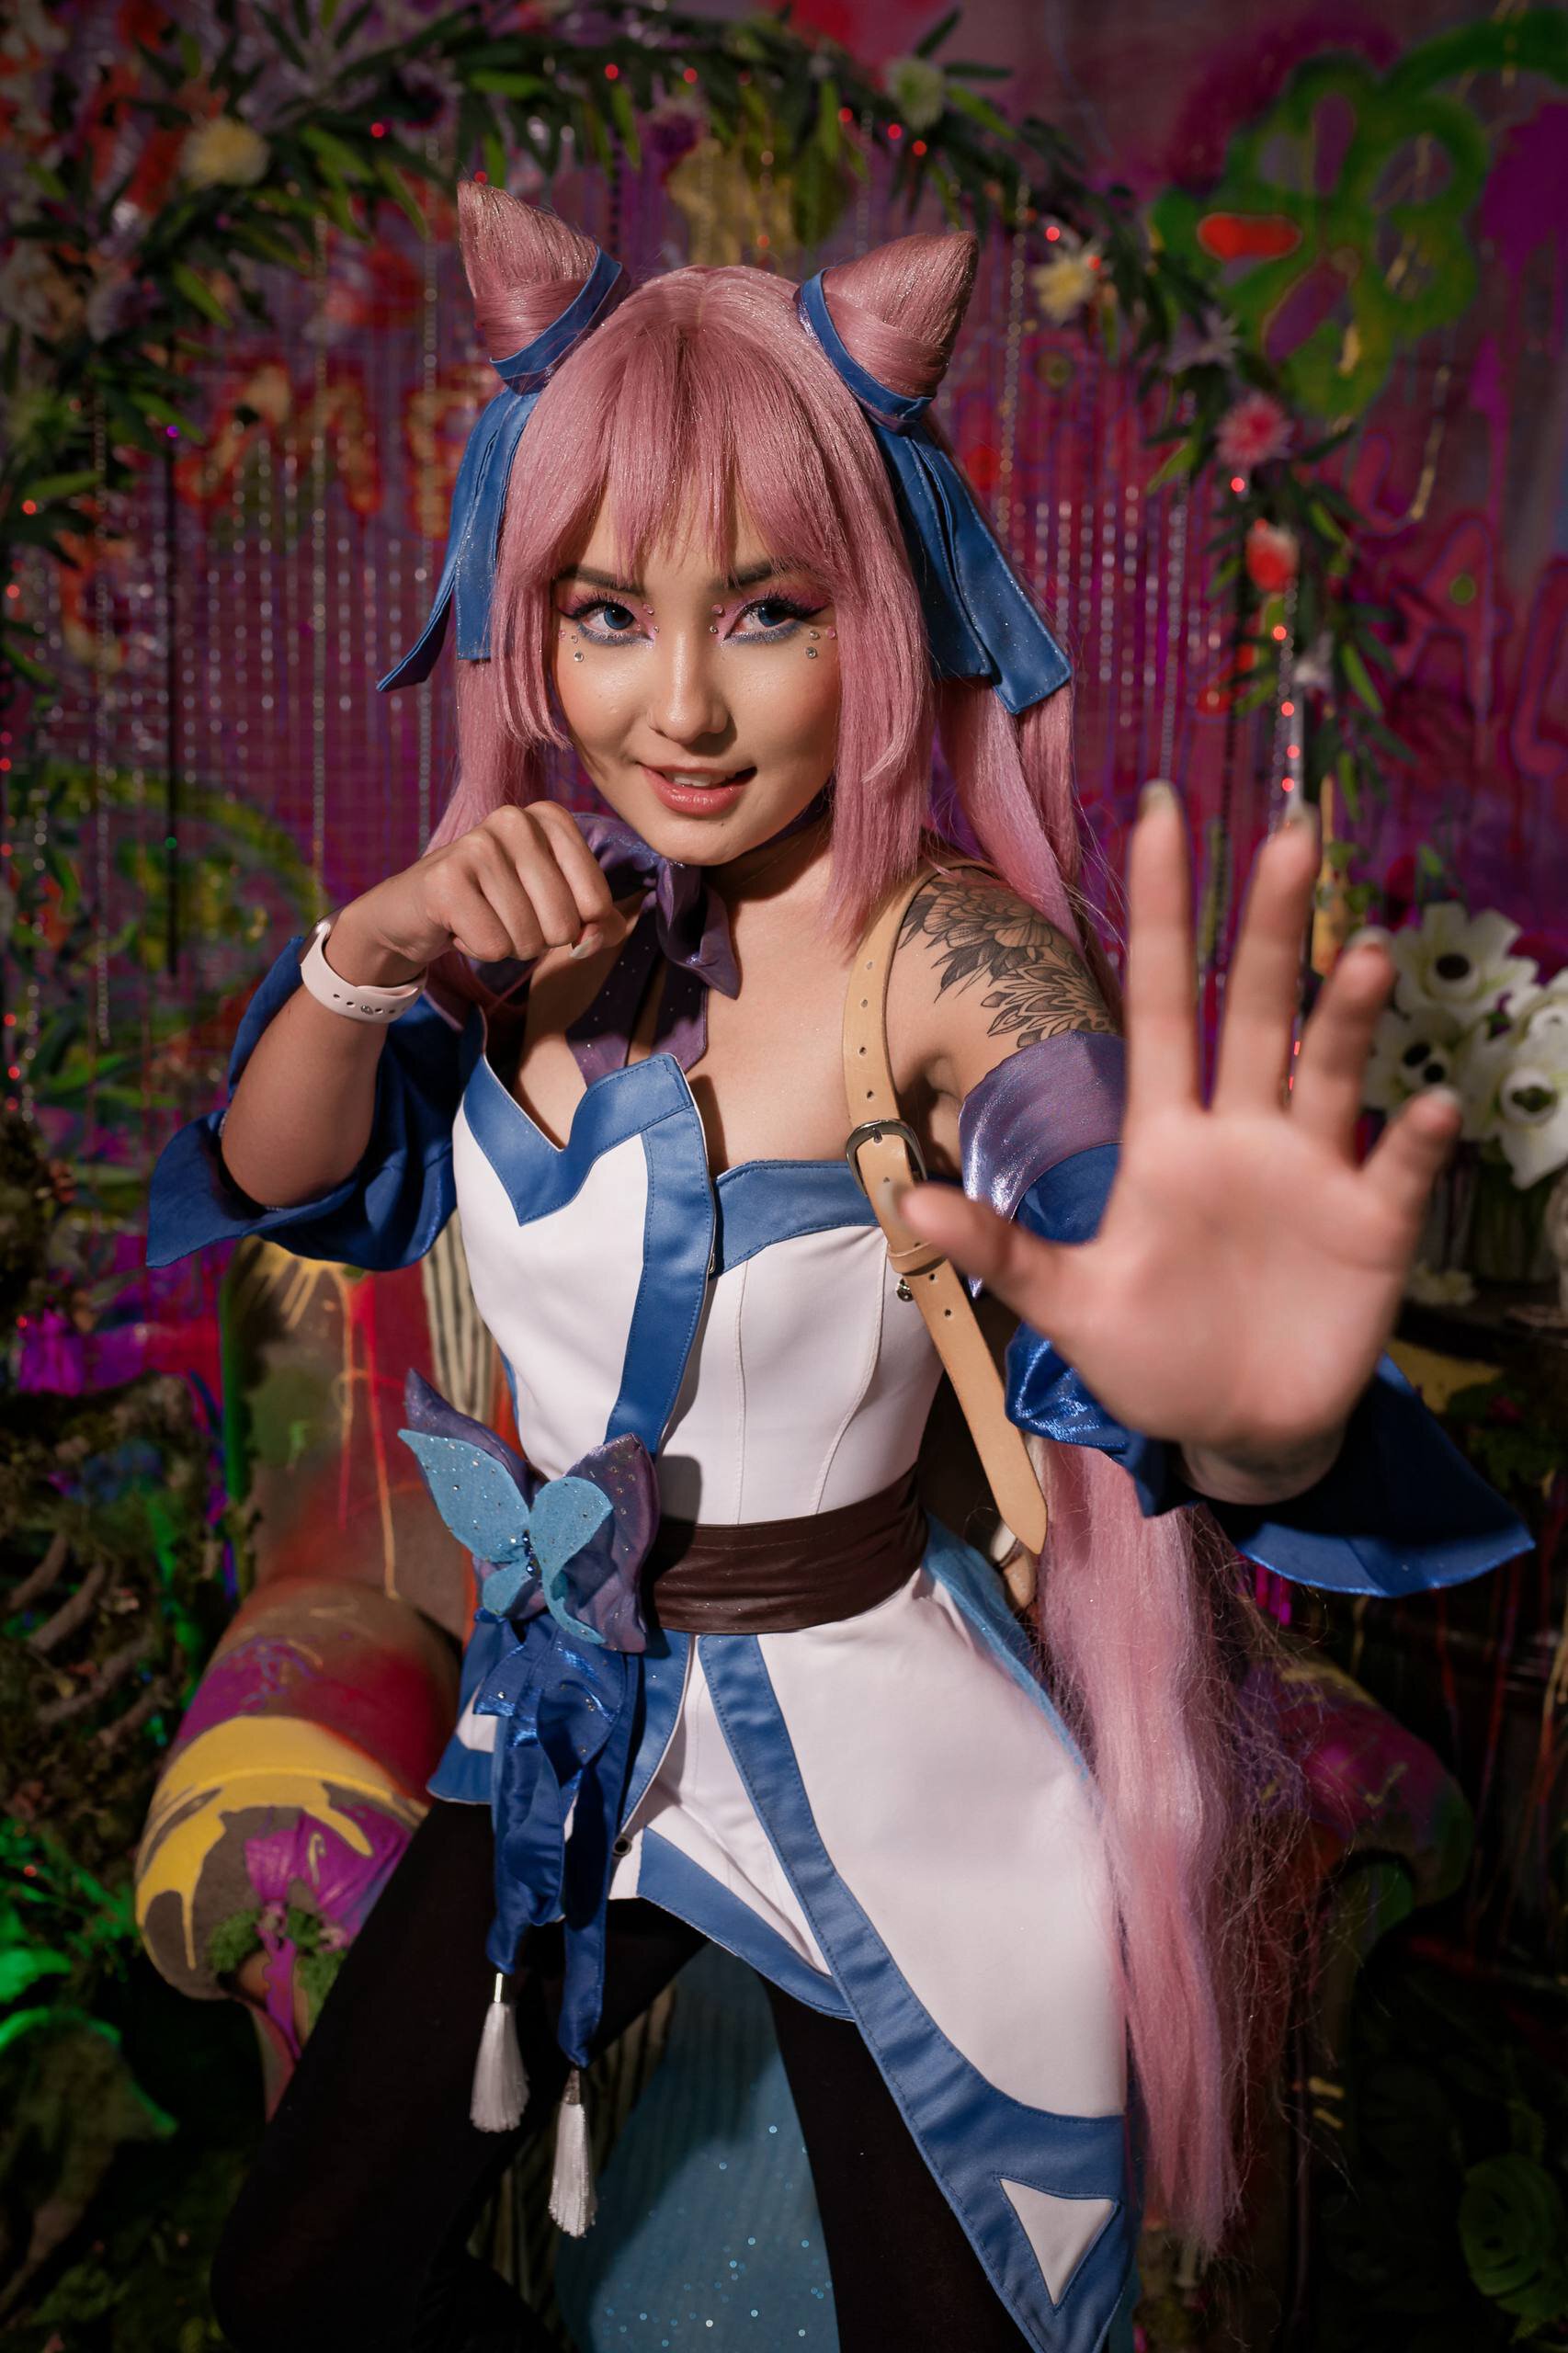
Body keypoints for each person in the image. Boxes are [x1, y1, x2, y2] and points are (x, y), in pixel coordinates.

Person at [147, 187, 1528, 2353]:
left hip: (883, 1759)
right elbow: (285, 1172)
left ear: (874, 619)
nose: (681, 703)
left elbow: (1081, 1168)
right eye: (608, 611)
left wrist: (1239, 1408)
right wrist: (361, 952)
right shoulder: (537, 916)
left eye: (768, 609)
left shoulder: (947, 954)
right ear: (529, 618)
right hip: (564, 1720)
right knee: (301, 2273)